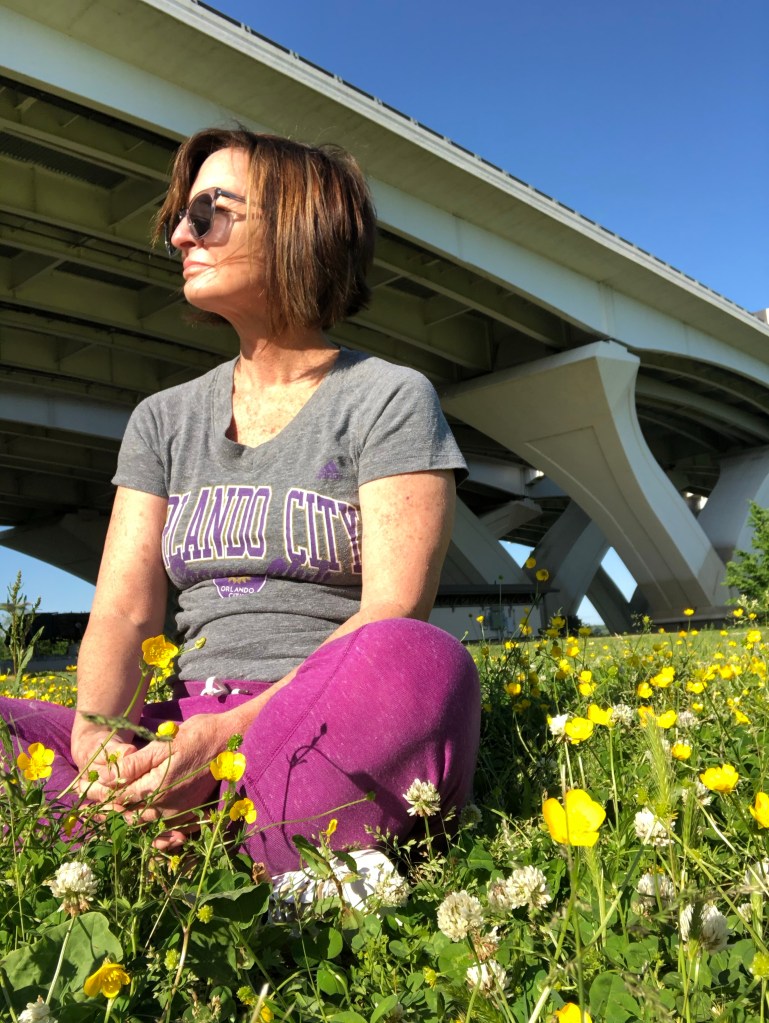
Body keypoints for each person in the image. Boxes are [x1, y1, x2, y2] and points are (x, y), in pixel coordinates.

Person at [0, 128, 480, 876]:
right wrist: (101, 747)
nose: (179, 235)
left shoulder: (388, 398)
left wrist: (224, 742)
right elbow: (124, 613)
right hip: (179, 726)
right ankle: (204, 838)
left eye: (208, 213)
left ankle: (172, 851)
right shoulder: (162, 419)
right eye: (179, 219)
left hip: (312, 722)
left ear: (297, 224)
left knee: (415, 659)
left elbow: (393, 608)